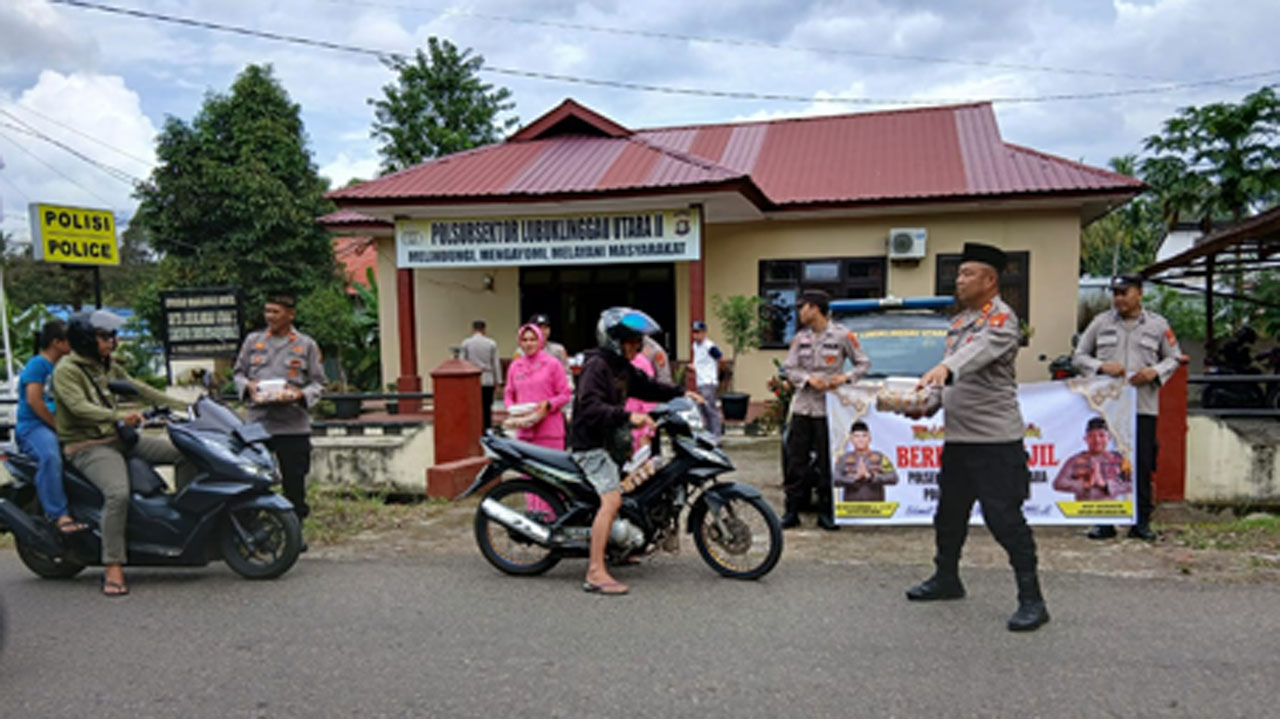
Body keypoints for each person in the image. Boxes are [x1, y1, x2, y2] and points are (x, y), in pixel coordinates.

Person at [906, 242, 1049, 632]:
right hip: (959, 440)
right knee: (948, 515)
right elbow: (947, 383)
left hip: (995, 442)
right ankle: (947, 579)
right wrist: (925, 404)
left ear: (990, 279)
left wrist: (943, 369)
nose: (959, 280)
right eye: (959, 273)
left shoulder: (1002, 319)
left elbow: (973, 358)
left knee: (1005, 520)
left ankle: (1032, 600)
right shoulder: (959, 323)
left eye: (968, 273)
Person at [53, 310, 192, 596]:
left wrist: (185, 405)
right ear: (86, 339)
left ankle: (183, 523)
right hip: (88, 446)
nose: (113, 340)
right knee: (118, 494)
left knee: (186, 453)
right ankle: (113, 565)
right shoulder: (66, 370)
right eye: (105, 336)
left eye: (112, 335)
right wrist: (117, 416)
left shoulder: (105, 365)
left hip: (118, 438)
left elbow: (137, 387)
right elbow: (79, 408)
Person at [570, 307, 702, 596]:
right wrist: (628, 417)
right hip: (591, 446)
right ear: (614, 340)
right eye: (631, 341)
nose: (637, 347)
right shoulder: (597, 366)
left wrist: (681, 393)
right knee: (612, 500)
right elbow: (589, 407)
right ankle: (594, 571)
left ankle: (618, 547)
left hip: (612, 443)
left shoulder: (620, 366)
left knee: (634, 489)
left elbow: (647, 386)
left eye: (638, 342)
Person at [1072, 272, 1181, 541]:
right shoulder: (1101, 323)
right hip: (1107, 408)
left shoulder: (1157, 325)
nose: (1119, 299)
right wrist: (1101, 366)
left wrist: (1154, 372)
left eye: (1124, 293)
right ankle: (1105, 522)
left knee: (1142, 464)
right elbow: (1079, 357)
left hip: (1143, 406)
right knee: (1106, 464)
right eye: (1116, 293)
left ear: (1139, 293)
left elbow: (1174, 358)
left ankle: (1141, 522)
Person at [233, 293, 327, 528]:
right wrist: (249, 387)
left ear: (290, 315)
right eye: (267, 312)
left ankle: (294, 531)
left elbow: (319, 383)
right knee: (253, 479)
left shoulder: (306, 345)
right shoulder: (252, 341)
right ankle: (253, 529)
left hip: (293, 425)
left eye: (275, 312)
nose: (270, 317)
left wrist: (299, 395)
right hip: (258, 424)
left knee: (294, 482)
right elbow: (238, 374)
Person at [781, 289, 871, 531]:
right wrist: (808, 379)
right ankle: (791, 511)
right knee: (795, 461)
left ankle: (827, 512)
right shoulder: (800, 338)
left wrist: (844, 378)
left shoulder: (842, 335)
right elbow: (789, 368)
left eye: (803, 307)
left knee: (827, 462)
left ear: (814, 308)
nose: (800, 312)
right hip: (803, 407)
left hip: (830, 409)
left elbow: (863, 363)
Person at [15, 320, 85, 535]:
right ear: (57, 342)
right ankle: (59, 515)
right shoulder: (38, 365)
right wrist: (57, 427)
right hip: (35, 428)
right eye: (70, 340)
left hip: (60, 426)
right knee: (50, 457)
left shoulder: (66, 366)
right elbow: (35, 401)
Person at [504, 323, 574, 514]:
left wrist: (548, 405)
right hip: (525, 431)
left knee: (550, 476)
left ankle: (554, 516)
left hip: (549, 431)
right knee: (528, 478)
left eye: (532, 339)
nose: (528, 344)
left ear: (540, 340)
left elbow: (565, 394)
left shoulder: (553, 364)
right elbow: (508, 394)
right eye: (524, 340)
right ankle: (535, 519)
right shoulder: (515, 366)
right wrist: (512, 409)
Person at [1053, 417, 1132, 501]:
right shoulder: (1074, 460)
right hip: (1082, 510)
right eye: (1092, 436)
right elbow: (1058, 483)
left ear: (1109, 438)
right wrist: (1084, 485)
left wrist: (1106, 485)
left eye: (1101, 435)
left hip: (1111, 510)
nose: (1097, 440)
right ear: (1086, 439)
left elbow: (1133, 484)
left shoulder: (1120, 460)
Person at [832, 420, 898, 502]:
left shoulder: (880, 457)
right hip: (851, 509)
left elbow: (893, 477)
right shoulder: (843, 459)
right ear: (851, 439)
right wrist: (855, 478)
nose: (860, 439)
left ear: (869, 438)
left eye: (864, 436)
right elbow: (834, 479)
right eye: (856, 436)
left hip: (876, 509)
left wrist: (871, 477)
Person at [460, 319, 501, 430]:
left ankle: (474, 428)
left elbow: (462, 362)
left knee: (472, 406)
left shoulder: (466, 343)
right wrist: (498, 382)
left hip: (471, 378)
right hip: (488, 378)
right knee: (487, 407)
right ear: (484, 330)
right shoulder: (491, 343)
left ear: (473, 330)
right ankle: (486, 429)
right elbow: (495, 363)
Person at [690, 320, 724, 438]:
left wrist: (717, 373)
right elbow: (698, 362)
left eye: (698, 332)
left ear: (704, 333)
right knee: (703, 410)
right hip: (700, 381)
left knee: (710, 409)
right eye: (694, 332)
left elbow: (721, 359)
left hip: (708, 381)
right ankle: (709, 434)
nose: (696, 335)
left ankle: (716, 435)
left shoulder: (709, 346)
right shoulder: (695, 346)